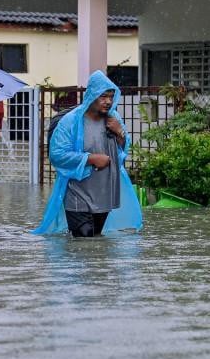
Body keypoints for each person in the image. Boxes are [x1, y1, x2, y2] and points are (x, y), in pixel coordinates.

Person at [33, 70, 142, 237]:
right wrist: (90, 159)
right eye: (103, 96)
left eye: (111, 97)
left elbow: (122, 153)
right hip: (78, 192)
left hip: (105, 193)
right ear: (92, 95)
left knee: (96, 240)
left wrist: (120, 133)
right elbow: (57, 155)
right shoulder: (71, 122)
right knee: (84, 236)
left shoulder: (113, 120)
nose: (108, 101)